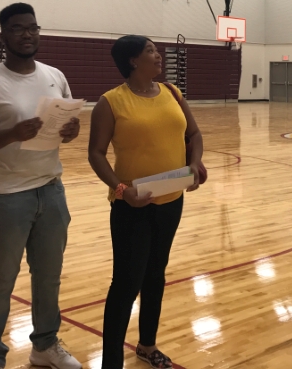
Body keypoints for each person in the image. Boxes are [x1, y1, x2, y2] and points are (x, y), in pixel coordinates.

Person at [0, 2, 83, 369]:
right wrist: (12, 133)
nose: (28, 34)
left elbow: (64, 126)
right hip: (4, 195)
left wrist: (72, 131)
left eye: (33, 27)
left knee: (48, 277)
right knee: (0, 281)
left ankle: (44, 345)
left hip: (51, 188)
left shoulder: (54, 75)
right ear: (4, 35)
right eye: (18, 28)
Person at [88, 35, 206, 369]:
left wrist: (194, 162)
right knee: (126, 284)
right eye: (151, 51)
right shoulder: (110, 102)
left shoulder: (172, 92)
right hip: (131, 206)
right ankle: (111, 362)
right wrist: (122, 190)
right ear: (132, 61)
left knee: (155, 274)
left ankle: (147, 345)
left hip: (172, 198)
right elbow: (95, 154)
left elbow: (193, 135)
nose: (159, 55)